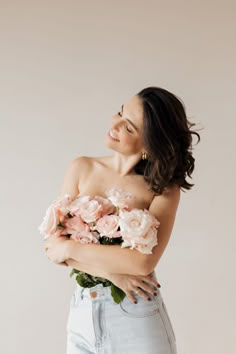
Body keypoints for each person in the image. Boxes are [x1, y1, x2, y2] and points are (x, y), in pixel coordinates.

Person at [44, 86, 201, 354]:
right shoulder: (82, 167)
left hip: (136, 315)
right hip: (82, 313)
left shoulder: (163, 189)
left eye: (128, 127)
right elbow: (52, 248)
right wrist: (112, 273)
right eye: (120, 112)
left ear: (149, 145)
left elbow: (143, 262)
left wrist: (70, 248)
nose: (114, 124)